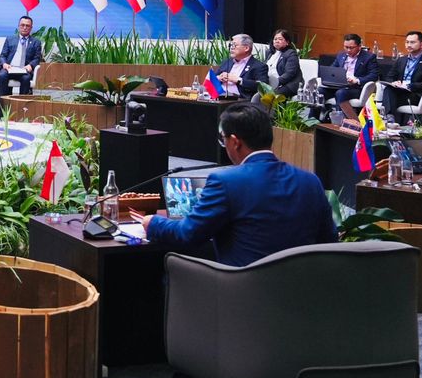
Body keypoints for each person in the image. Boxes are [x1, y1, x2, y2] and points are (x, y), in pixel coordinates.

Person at [140, 103, 338, 266]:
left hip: (243, 291)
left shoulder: (226, 182)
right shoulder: (311, 181)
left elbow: (187, 234)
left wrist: (153, 223)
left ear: (235, 142)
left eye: (223, 140)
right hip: (299, 290)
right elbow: (329, 239)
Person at [381, 30, 422, 119]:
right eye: (407, 42)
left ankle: (388, 118)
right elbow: (389, 77)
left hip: (416, 95)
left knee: (389, 96)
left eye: (412, 42)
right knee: (389, 89)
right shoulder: (401, 60)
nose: (408, 45)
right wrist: (394, 83)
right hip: (400, 92)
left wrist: (409, 86)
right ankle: (389, 117)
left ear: (421, 44)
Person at [325, 34, 379, 109]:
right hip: (339, 85)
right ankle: (314, 116)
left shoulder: (369, 57)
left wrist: (357, 80)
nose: (348, 50)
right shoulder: (341, 55)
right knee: (320, 90)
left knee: (340, 93)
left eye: (351, 48)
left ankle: (339, 115)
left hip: (356, 88)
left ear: (359, 46)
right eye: (346, 47)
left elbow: (374, 75)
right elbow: (332, 70)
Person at [0, 15, 43, 96]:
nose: (24, 27)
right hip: (9, 68)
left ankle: (22, 103)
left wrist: (31, 65)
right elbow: (2, 55)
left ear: (31, 28)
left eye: (27, 26)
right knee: (2, 75)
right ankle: (2, 102)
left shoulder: (36, 42)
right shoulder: (10, 39)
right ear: (18, 26)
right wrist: (4, 64)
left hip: (24, 70)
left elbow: (37, 58)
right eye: (22, 25)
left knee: (26, 78)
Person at [214, 33, 269, 98]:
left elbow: (263, 87)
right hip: (218, 96)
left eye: (234, 45)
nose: (231, 48)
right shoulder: (227, 62)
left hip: (240, 100)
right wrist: (219, 78)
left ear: (246, 48)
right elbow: (213, 78)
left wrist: (238, 80)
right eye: (230, 45)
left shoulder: (259, 66)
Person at [266, 29, 303, 97]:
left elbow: (289, 73)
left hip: (288, 85)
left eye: (280, 39)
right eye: (275, 39)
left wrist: (274, 83)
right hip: (271, 85)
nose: (277, 41)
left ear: (287, 42)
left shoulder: (291, 53)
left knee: (270, 97)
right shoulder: (270, 53)